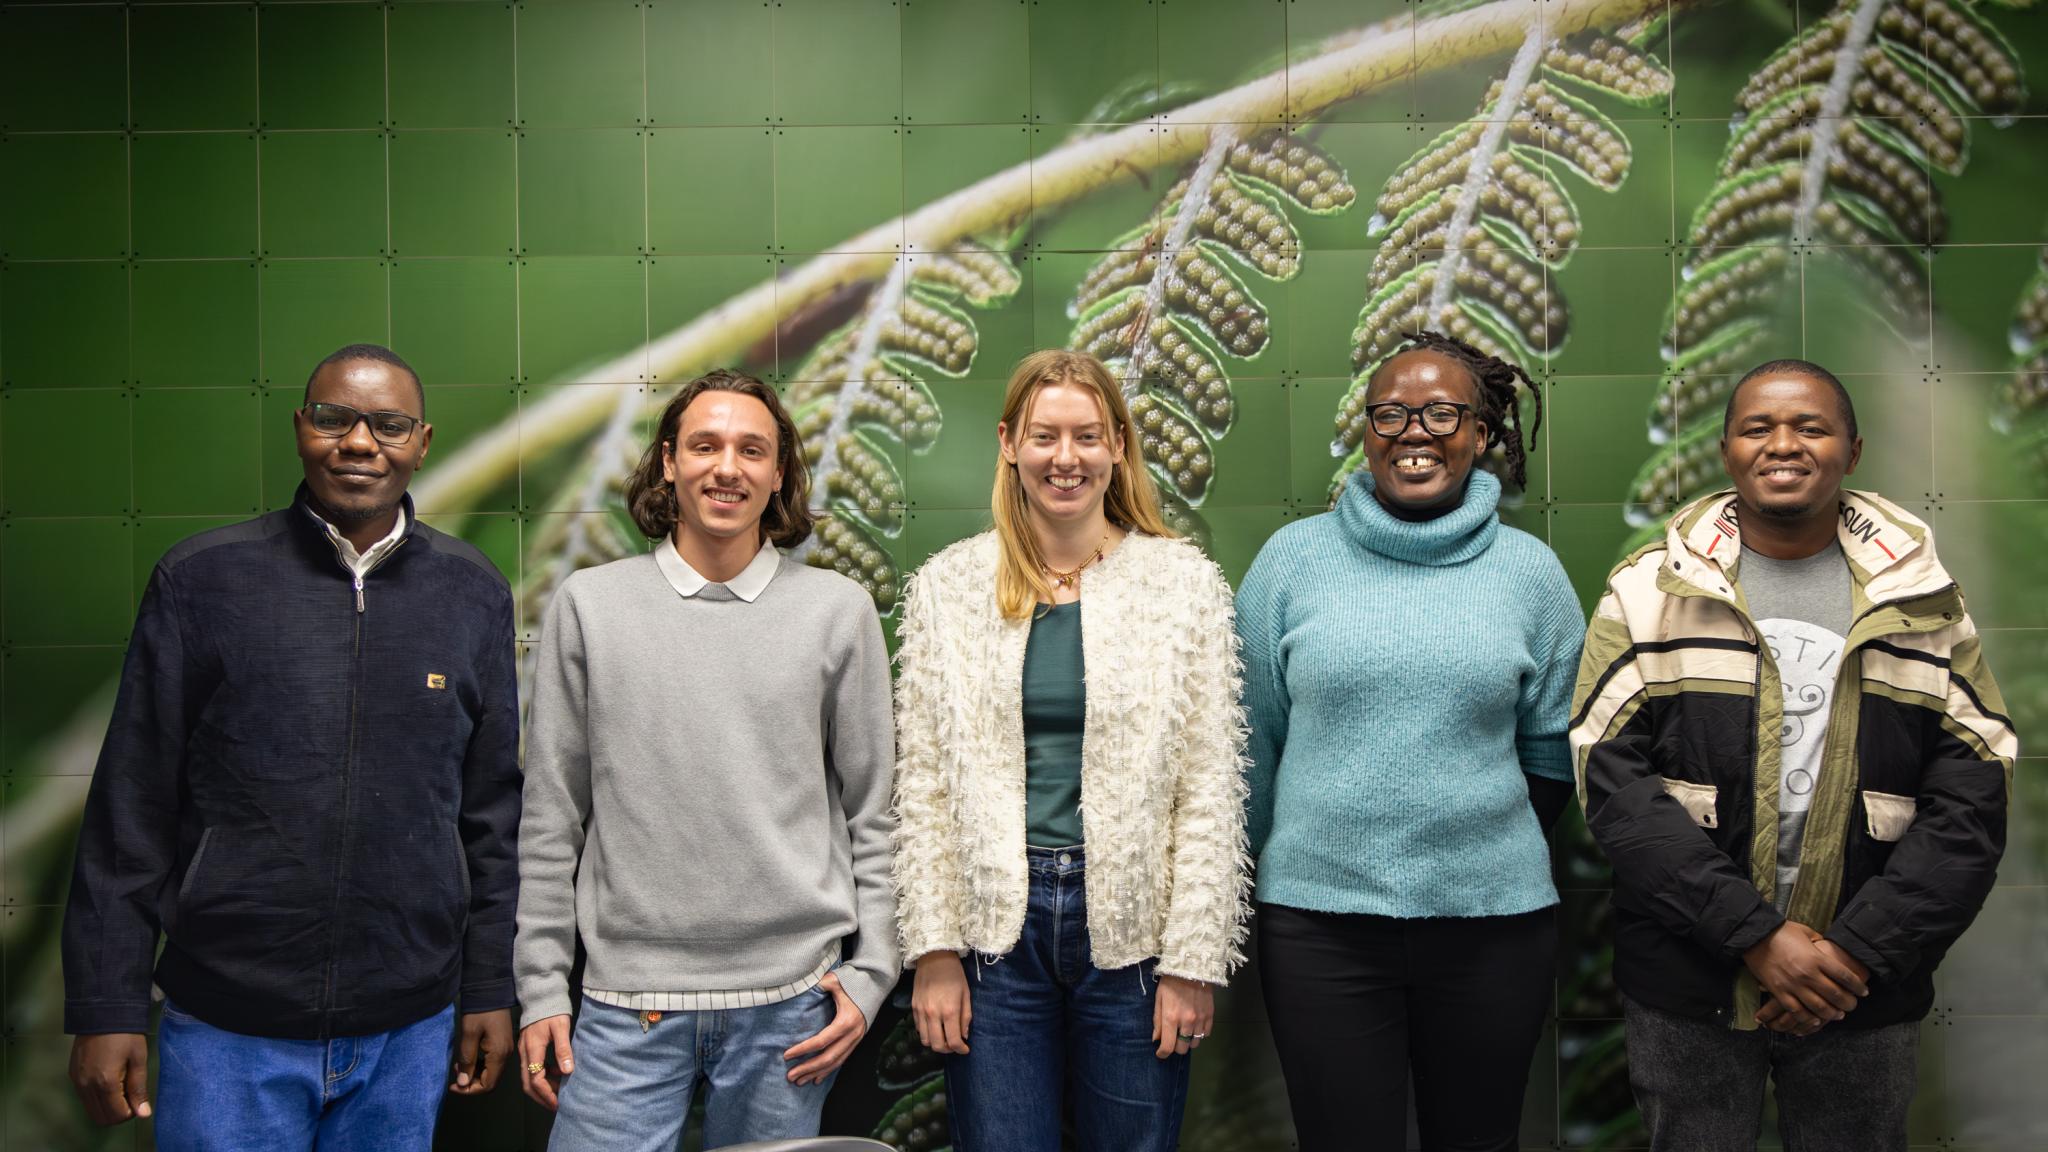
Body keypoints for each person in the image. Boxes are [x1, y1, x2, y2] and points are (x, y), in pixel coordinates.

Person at [62, 344, 522, 1149]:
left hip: (408, 1031)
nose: (359, 442)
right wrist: (107, 1005)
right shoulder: (202, 581)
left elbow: (491, 815)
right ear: (301, 428)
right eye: (334, 418)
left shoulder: (473, 592)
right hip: (225, 1030)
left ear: (421, 442)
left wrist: (489, 985)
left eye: (389, 425)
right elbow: (131, 807)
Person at [1571, 359, 2016, 1151]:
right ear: (1727, 451)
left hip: (1862, 987)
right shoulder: (1646, 592)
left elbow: (1973, 798)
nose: (1784, 444)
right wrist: (1755, 937)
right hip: (1691, 983)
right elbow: (1613, 785)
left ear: (1853, 450)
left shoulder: (1921, 598)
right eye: (1758, 428)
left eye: (1811, 427)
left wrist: (1856, 953)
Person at [514, 368, 899, 1149]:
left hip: (793, 1006)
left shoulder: (837, 613)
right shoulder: (590, 606)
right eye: (705, 445)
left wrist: (873, 973)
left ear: (779, 473)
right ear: (668, 461)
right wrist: (542, 987)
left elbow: (877, 811)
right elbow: (551, 814)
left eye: (752, 450)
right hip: (625, 1004)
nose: (728, 467)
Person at [889, 349, 1250, 1152]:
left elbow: (1209, 786)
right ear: (1008, 443)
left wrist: (1193, 960)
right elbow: (924, 786)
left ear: (1118, 445)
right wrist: (934, 950)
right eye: (1045, 436)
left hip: (1135, 935)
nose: (1066, 458)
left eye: (1087, 436)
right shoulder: (950, 586)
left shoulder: (1182, 584)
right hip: (993, 933)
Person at [1235, 330, 1583, 1152]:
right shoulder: (1291, 563)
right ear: (1367, 432)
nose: (1413, 432)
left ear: (1482, 434)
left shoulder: (1532, 574)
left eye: (1440, 413)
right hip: (1319, 926)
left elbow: (1550, 757)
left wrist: (1467, 852)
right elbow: (1253, 747)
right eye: (1389, 414)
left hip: (1491, 928)